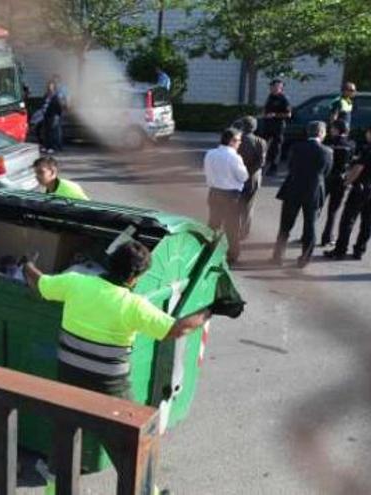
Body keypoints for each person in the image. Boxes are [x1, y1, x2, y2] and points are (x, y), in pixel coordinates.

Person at [22, 241, 211, 400]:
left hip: (69, 376)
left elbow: (39, 283)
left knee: (68, 427)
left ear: (110, 263)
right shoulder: (134, 305)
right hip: (110, 387)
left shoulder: (74, 282)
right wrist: (210, 310)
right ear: (134, 278)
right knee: (133, 438)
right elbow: (177, 329)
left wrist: (28, 264)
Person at [272, 121, 333, 267]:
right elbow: (326, 172)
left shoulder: (296, 147)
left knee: (285, 225)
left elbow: (290, 165)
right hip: (313, 191)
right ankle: (304, 259)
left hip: (293, 188)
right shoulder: (327, 151)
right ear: (321, 133)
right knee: (310, 225)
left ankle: (278, 257)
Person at [325, 127, 371, 260]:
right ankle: (359, 251)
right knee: (367, 223)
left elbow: (358, 168)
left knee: (347, 220)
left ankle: (340, 250)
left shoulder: (367, 150)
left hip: (361, 189)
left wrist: (346, 182)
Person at [204, 128, 249, 263]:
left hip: (214, 193)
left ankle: (208, 251)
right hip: (231, 196)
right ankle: (233, 256)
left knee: (213, 224)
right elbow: (243, 177)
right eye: (239, 140)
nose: (240, 143)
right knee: (232, 227)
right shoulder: (235, 157)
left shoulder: (210, 153)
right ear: (232, 141)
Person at [320, 119, 355, 247]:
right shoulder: (351, 144)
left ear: (337, 129)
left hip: (326, 178)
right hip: (340, 179)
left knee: (316, 208)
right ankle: (327, 237)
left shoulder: (327, 142)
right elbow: (351, 162)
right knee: (333, 211)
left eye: (333, 128)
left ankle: (306, 236)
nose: (330, 130)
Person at [232, 116, 268, 238]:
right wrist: (249, 172)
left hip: (236, 176)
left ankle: (234, 229)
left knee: (235, 205)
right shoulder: (261, 142)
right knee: (248, 206)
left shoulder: (236, 140)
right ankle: (244, 232)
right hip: (253, 178)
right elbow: (261, 162)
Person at [261, 79, 292, 176]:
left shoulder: (283, 99)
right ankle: (260, 165)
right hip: (267, 125)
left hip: (278, 126)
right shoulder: (270, 97)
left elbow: (288, 114)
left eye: (277, 87)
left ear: (281, 88)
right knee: (263, 145)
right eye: (273, 86)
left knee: (276, 147)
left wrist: (275, 115)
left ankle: (273, 168)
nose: (274, 89)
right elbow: (266, 109)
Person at [40, 79, 64, 153]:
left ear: (54, 87)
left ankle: (52, 147)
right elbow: (43, 103)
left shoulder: (56, 96)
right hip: (46, 115)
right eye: (49, 85)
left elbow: (59, 107)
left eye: (51, 86)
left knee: (52, 132)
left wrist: (58, 115)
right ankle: (46, 146)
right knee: (45, 131)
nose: (50, 87)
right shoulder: (46, 95)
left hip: (53, 115)